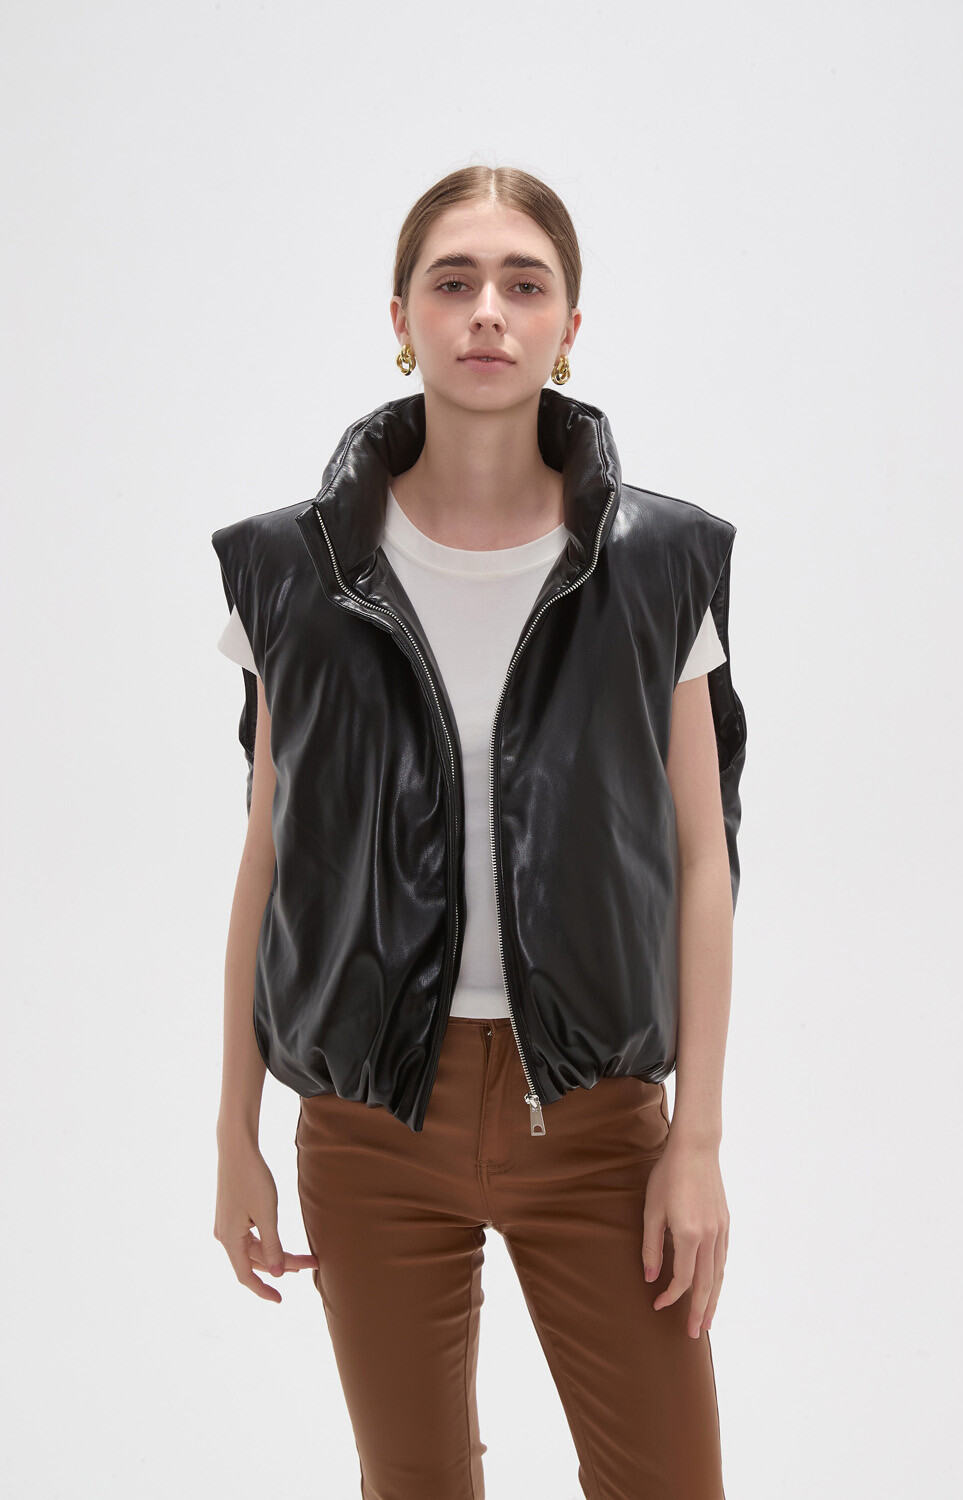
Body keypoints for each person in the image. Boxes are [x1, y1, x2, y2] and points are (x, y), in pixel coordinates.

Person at [212, 164, 746, 1500]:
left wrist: (695, 1141)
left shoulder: (659, 563)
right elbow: (268, 856)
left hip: (599, 1123)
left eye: (525, 283)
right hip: (370, 1123)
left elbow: (701, 859)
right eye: (453, 283)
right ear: (403, 318)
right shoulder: (292, 572)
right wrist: (236, 1134)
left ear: (570, 325)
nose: (488, 311)